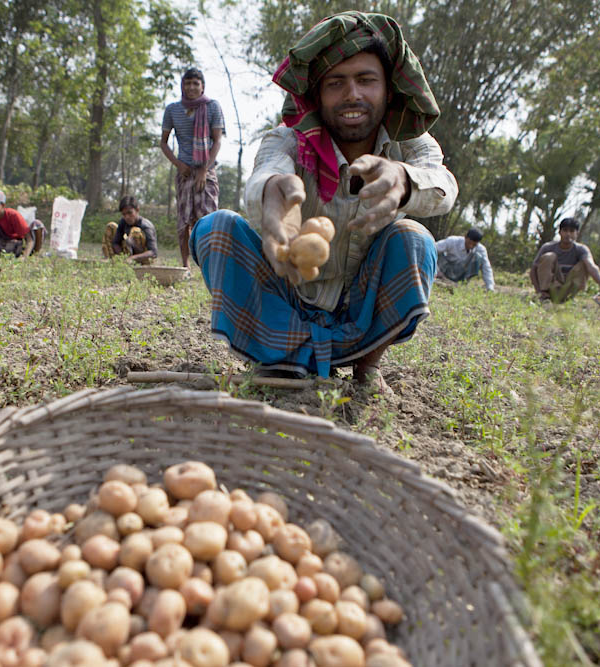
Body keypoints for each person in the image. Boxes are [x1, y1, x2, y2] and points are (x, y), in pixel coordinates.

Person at [190, 11, 457, 391]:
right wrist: (273, 194)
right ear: (318, 95)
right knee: (215, 228)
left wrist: (403, 180)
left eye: (366, 80)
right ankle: (280, 357)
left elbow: (443, 184)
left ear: (387, 90)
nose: (352, 94)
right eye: (336, 83)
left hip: (357, 315)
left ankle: (367, 363)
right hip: (286, 298)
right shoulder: (287, 140)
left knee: (414, 237)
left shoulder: (409, 145)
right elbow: (267, 171)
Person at [160, 68, 224, 270]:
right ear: (182, 86)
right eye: (187, 83)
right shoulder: (172, 110)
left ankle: (209, 264)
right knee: (184, 219)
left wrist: (205, 169)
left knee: (207, 219)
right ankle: (185, 265)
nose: (191, 87)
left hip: (206, 170)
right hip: (184, 170)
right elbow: (163, 143)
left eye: (196, 83)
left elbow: (217, 141)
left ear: (202, 86)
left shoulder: (212, 107)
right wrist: (178, 165)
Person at [530, 217, 600, 302]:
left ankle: (570, 297)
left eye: (572, 231)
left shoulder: (581, 249)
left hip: (569, 289)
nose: (568, 234)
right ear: (559, 232)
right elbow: (533, 269)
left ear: (577, 233)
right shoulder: (547, 247)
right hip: (552, 287)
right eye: (565, 230)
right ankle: (545, 295)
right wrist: (538, 291)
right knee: (549, 256)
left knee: (585, 263)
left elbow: (592, 266)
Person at [0, 189, 43, 258]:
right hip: (1, 245)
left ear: (3, 205)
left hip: (15, 245)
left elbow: (30, 240)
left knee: (13, 244)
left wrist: (24, 257)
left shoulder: (13, 215)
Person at [102, 196, 158, 265]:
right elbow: (116, 242)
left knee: (135, 231)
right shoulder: (123, 222)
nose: (127, 217)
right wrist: (122, 257)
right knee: (111, 226)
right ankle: (114, 263)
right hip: (127, 255)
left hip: (142, 258)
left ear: (137, 210)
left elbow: (153, 252)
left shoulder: (146, 226)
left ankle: (139, 266)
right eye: (124, 214)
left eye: (130, 213)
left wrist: (132, 258)